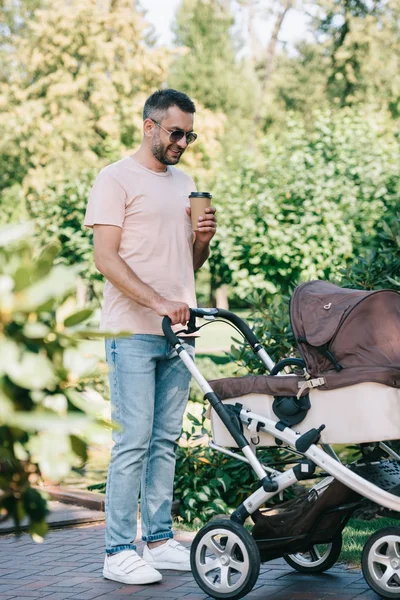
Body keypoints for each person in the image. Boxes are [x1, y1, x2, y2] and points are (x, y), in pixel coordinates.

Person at [84, 89, 217, 585]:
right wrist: (158, 303)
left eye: (190, 134)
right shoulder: (114, 178)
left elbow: (189, 264)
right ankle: (118, 549)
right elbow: (106, 258)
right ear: (149, 126)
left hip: (179, 333)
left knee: (165, 440)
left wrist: (201, 240)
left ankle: (159, 541)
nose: (183, 142)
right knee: (133, 441)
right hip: (132, 331)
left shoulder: (185, 183)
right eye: (175, 132)